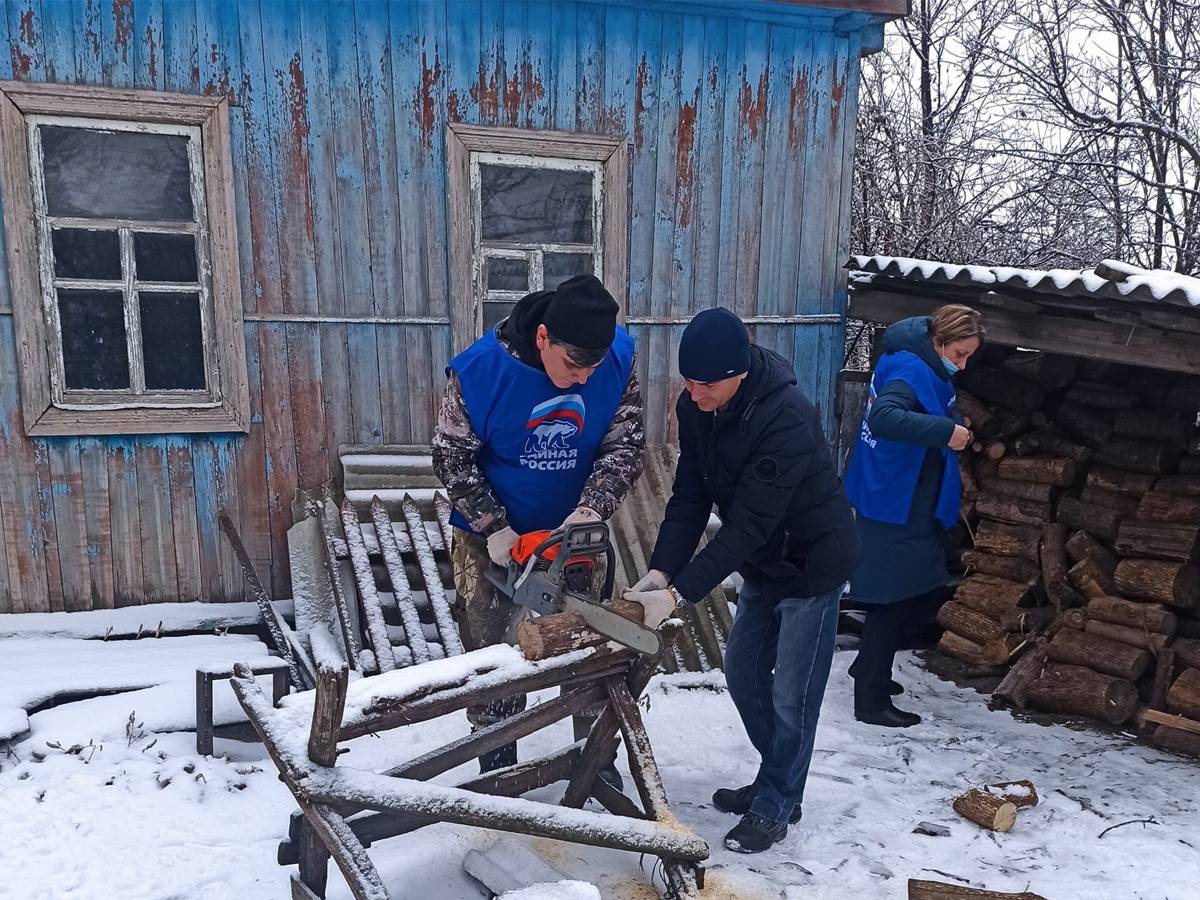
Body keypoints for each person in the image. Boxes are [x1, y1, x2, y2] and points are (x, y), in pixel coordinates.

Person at [623, 307, 859, 854]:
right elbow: (688, 499)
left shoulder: (787, 418)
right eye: (688, 381)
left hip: (811, 564)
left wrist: (679, 593)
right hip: (764, 564)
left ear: (740, 374)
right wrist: (659, 572)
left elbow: (749, 524)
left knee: (792, 693)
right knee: (742, 674)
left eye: (706, 383)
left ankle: (777, 801)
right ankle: (781, 776)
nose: (694, 392)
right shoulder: (697, 408)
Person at [431, 274, 645, 776]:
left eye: (594, 366)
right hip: (494, 539)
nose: (585, 379)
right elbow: (451, 457)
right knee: (494, 653)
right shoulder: (481, 372)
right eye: (574, 366)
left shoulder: (616, 359)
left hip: (575, 535)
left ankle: (595, 756)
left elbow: (625, 443)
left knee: (589, 645)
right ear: (544, 338)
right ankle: (497, 757)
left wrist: (592, 508)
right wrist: (493, 526)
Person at [842, 305, 985, 728]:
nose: (961, 365)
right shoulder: (908, 369)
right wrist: (946, 432)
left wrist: (952, 420)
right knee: (893, 600)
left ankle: (870, 667)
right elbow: (886, 418)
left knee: (914, 589)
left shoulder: (915, 360)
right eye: (958, 354)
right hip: (893, 501)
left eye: (968, 357)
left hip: (903, 495)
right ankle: (869, 699)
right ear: (938, 341)